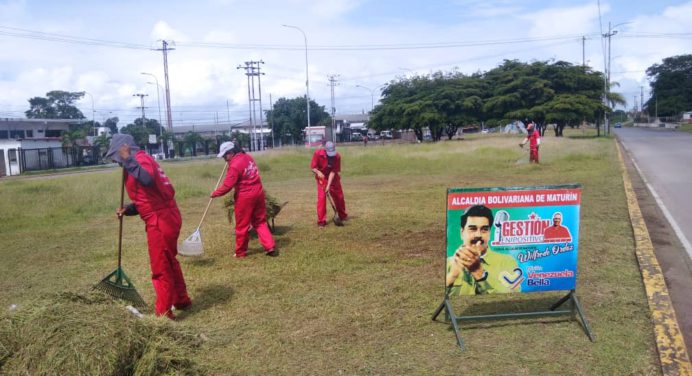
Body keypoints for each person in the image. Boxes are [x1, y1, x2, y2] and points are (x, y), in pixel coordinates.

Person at [106, 134, 191, 320]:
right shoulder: (137, 162)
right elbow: (148, 196)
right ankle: (181, 300)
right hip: (164, 215)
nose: (117, 162)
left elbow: (147, 180)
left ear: (124, 149)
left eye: (116, 157)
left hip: (161, 219)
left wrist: (128, 159)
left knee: (161, 267)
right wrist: (129, 209)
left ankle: (163, 314)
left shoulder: (140, 159)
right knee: (169, 260)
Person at [211, 141, 277, 258]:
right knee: (260, 222)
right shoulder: (248, 157)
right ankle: (270, 246)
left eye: (225, 156)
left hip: (245, 197)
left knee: (242, 225)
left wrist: (215, 193)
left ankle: (240, 252)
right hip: (258, 193)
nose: (224, 159)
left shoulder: (234, 165)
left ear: (231, 152)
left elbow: (227, 186)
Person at [446, 205, 521, 295]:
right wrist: (453, 275)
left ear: (489, 233)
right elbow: (439, 298)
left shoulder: (507, 262)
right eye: (472, 229)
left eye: (484, 229)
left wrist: (478, 272)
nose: (478, 235)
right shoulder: (448, 263)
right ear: (462, 233)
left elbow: (512, 297)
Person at [310, 141, 348, 227]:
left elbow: (333, 172)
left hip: (333, 178)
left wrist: (328, 185)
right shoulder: (317, 154)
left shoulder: (337, 157)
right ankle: (321, 221)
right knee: (322, 198)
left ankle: (342, 215)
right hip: (321, 177)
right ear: (325, 150)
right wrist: (318, 172)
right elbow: (313, 167)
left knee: (339, 197)